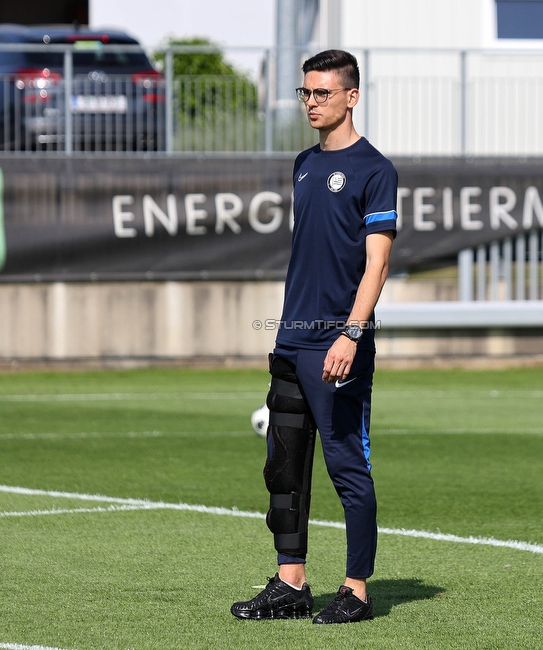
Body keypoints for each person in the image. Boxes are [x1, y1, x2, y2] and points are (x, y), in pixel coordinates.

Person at [231, 49, 397, 625]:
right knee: (284, 465)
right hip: (292, 340)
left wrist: (351, 334)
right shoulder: (302, 163)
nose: (311, 102)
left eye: (322, 93)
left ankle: (356, 590)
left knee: (347, 467)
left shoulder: (376, 170)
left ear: (351, 95)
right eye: (306, 93)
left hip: (338, 344)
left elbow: (376, 265)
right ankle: (291, 581)